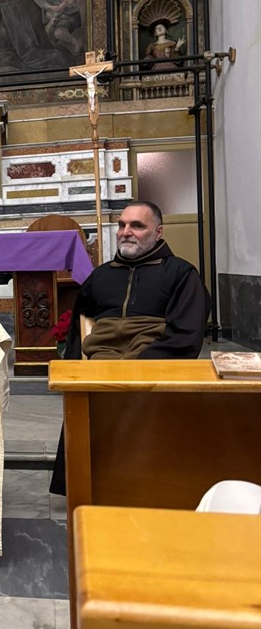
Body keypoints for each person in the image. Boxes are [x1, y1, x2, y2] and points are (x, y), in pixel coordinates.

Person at [50, 200, 210, 493]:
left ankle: (146, 482)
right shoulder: (102, 275)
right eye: (122, 225)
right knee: (87, 396)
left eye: (137, 226)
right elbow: (78, 327)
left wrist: (139, 364)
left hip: (152, 361)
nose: (125, 232)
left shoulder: (181, 274)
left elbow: (186, 334)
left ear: (158, 232)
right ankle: (84, 480)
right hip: (100, 362)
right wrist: (73, 370)